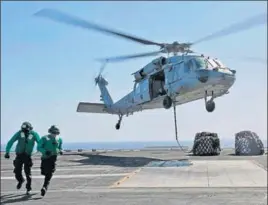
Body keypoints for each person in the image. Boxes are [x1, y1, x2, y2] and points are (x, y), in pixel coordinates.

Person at [4, 122, 40, 194]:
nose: (24, 131)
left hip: (27, 156)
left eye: (26, 130)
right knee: (17, 171)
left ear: (30, 129)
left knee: (28, 173)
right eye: (23, 130)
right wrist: (7, 152)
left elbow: (40, 143)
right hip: (19, 155)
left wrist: (42, 151)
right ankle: (20, 180)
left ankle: (28, 188)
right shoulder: (19, 133)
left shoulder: (34, 134)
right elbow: (11, 142)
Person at [37, 125, 63, 196]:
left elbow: (60, 147)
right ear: (50, 132)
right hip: (45, 158)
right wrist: (45, 151)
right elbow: (39, 147)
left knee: (49, 173)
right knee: (44, 171)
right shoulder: (44, 138)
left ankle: (44, 187)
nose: (54, 134)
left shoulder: (59, 139)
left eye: (56, 133)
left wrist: (60, 151)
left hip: (53, 158)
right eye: (53, 133)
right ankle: (45, 184)